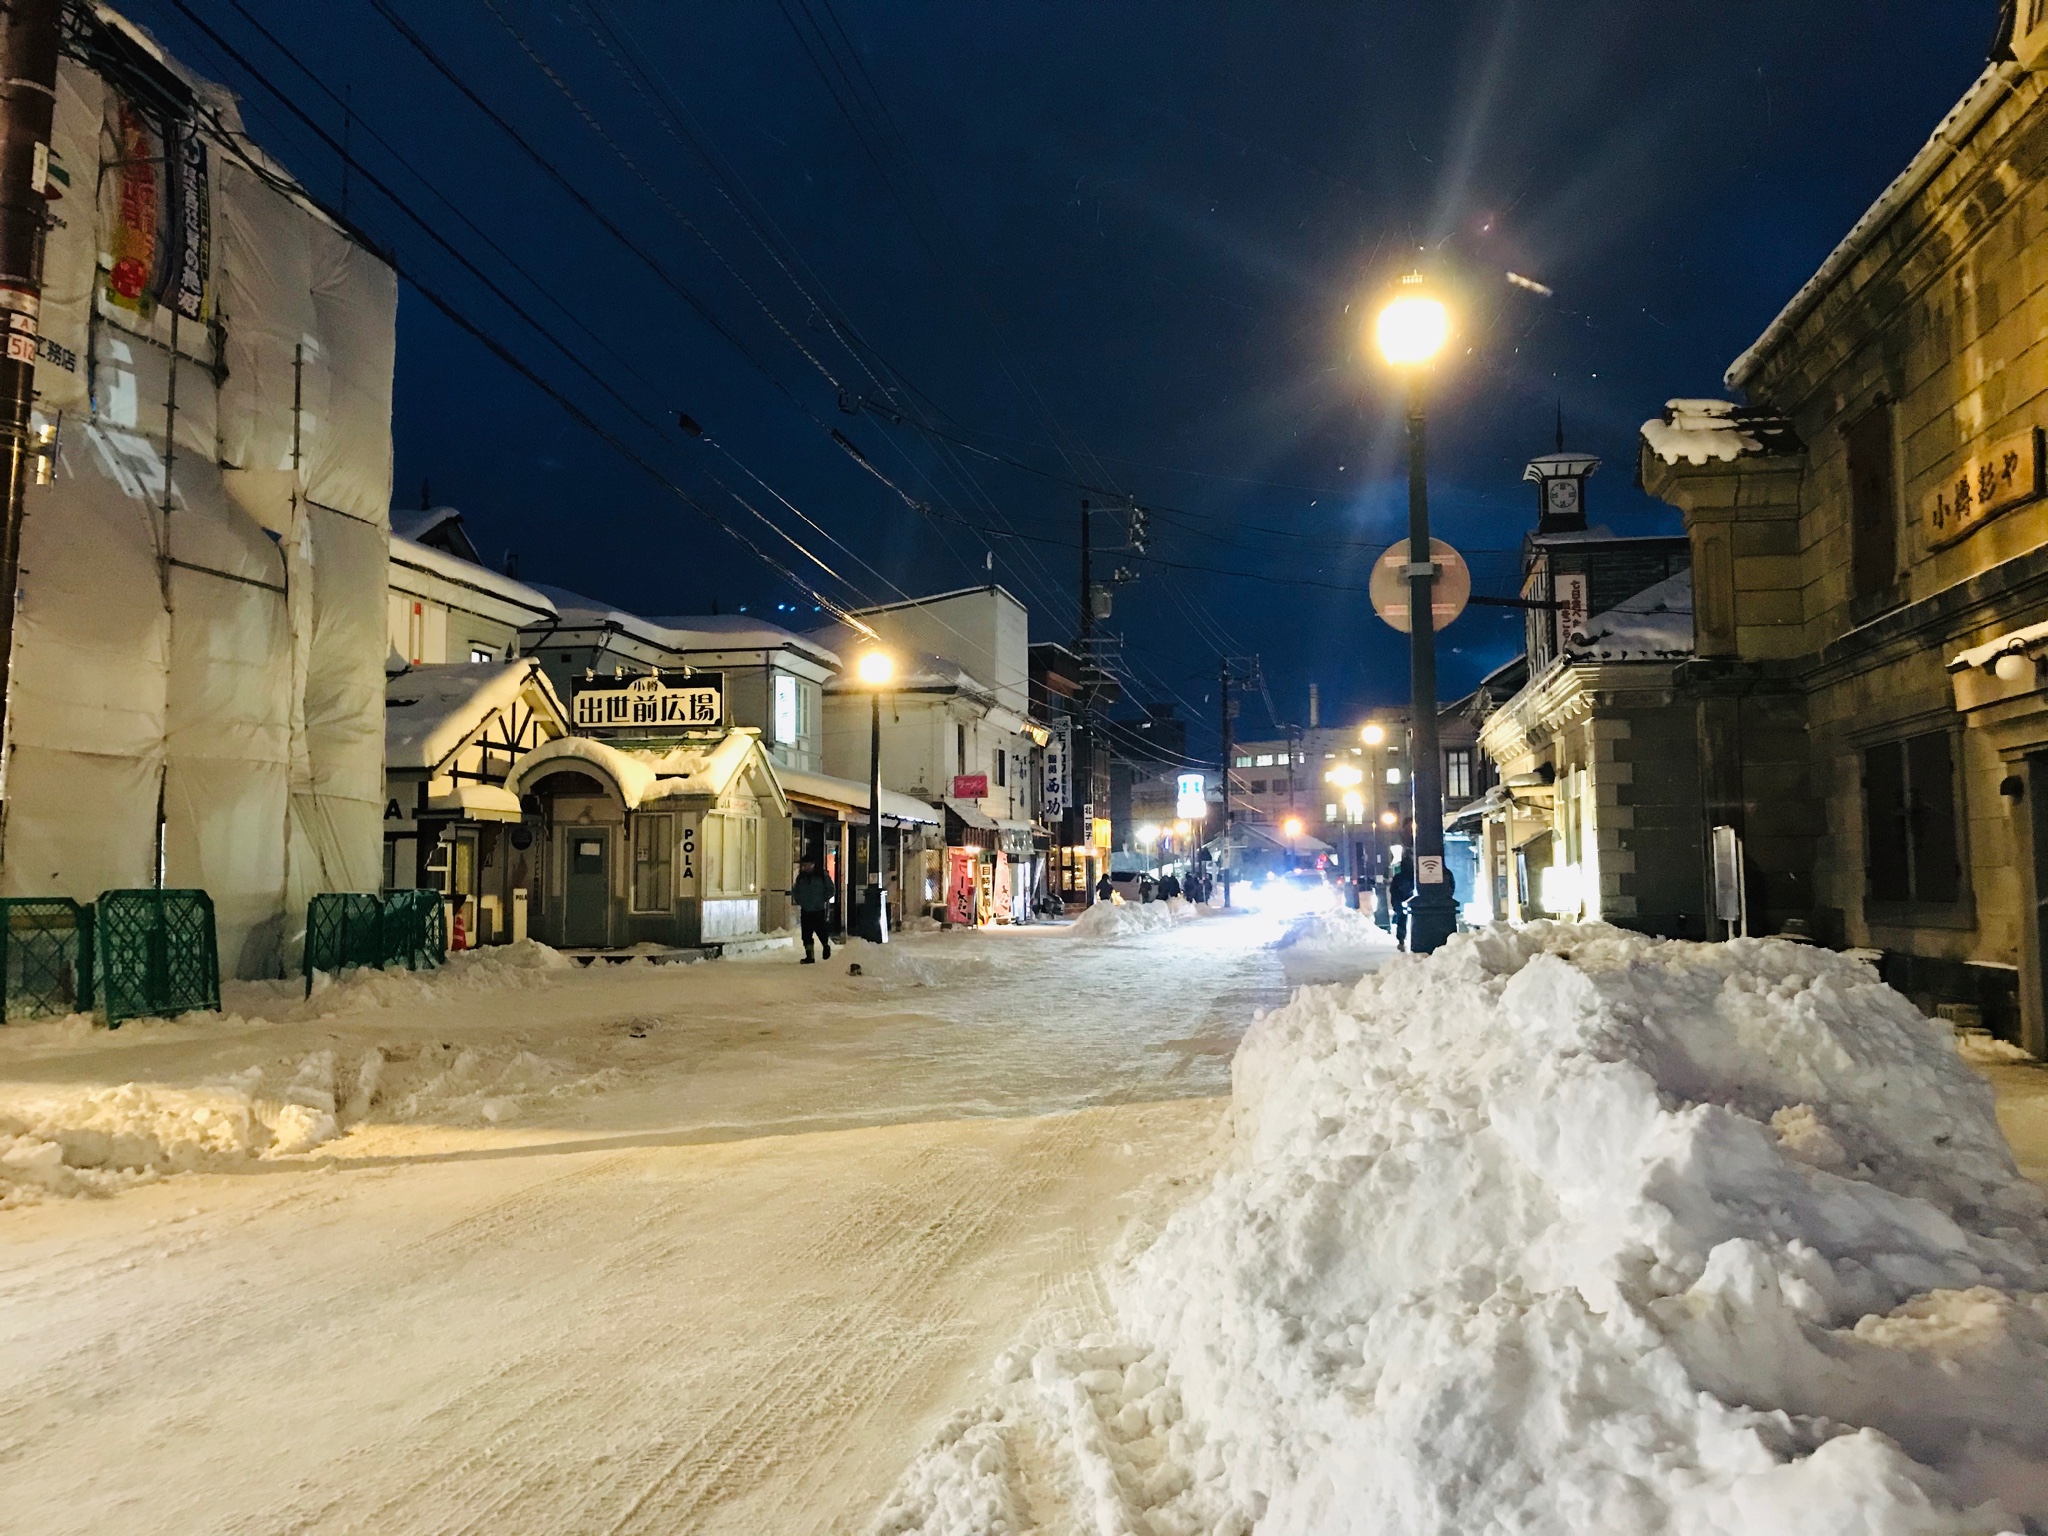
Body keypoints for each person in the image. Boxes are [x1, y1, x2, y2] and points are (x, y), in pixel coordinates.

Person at [789, 856, 836, 963]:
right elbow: (796, 890)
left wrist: (823, 899)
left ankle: (825, 945)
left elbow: (831, 889)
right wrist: (800, 900)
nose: (804, 867)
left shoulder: (821, 876)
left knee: (821, 930)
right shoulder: (801, 877)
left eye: (806, 864)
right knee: (806, 934)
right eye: (803, 865)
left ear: (813, 864)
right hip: (805, 909)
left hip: (818, 909)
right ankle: (810, 956)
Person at [1387, 857, 1414, 951]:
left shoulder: (1398, 877)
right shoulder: (1414, 876)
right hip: (1411, 899)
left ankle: (1401, 939)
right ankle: (1408, 938)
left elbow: (1393, 891)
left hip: (1399, 901)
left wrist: (1395, 903)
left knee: (1401, 919)